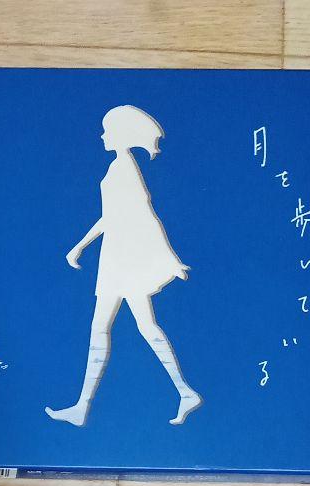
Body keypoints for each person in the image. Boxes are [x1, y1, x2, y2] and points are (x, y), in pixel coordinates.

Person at [46, 105, 202, 428]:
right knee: (136, 327)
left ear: (119, 135)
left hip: (122, 261)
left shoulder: (123, 169)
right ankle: (184, 392)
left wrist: (167, 258)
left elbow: (146, 215)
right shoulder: (119, 167)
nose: (102, 136)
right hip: (117, 258)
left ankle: (84, 406)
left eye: (107, 131)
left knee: (110, 327)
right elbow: (110, 218)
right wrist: (79, 247)